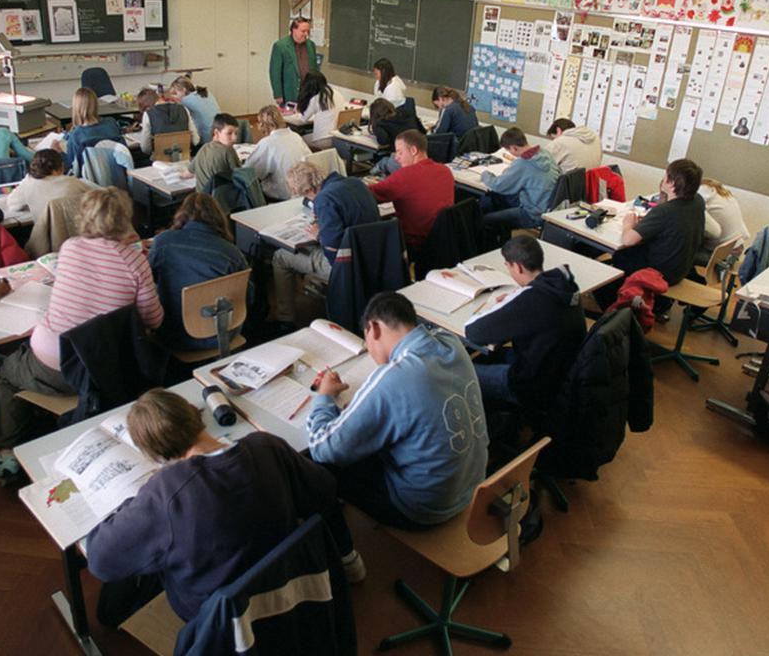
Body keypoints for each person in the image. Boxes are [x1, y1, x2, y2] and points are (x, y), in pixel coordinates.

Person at [85, 389, 362, 627]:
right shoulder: (266, 444)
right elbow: (324, 488)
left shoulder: (167, 493)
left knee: (148, 561)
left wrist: (130, 504)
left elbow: (101, 560)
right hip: (287, 582)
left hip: (217, 614)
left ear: (156, 453)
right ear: (195, 414)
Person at [0, 188, 163, 447]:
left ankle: (8, 444)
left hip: (53, 366)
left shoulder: (69, 248)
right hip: (106, 370)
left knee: (5, 373)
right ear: (125, 219)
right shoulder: (135, 261)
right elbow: (153, 320)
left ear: (84, 217)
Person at [308, 292, 488, 529]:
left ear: (373, 328)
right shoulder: (450, 342)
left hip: (423, 508)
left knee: (318, 468)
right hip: (472, 487)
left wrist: (324, 397)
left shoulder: (396, 376)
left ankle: (344, 554)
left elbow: (323, 448)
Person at [465, 236, 583, 406]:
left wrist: (506, 305)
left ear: (518, 267)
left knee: (460, 373)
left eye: (507, 265)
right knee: (487, 357)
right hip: (561, 370)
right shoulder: (563, 285)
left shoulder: (532, 300)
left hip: (531, 385)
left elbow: (474, 332)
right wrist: (516, 299)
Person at [269, 161, 380, 329]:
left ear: (308, 190)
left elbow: (332, 251)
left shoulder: (324, 199)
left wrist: (318, 234)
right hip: (374, 255)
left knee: (281, 257)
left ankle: (285, 319)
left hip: (347, 265)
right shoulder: (356, 182)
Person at [148, 194, 251, 352]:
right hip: (222, 333)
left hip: (173, 334)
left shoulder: (162, 242)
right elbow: (248, 296)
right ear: (218, 218)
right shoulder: (231, 253)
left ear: (181, 215)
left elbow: (150, 281)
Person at [598, 158, 705, 308]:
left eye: (666, 176)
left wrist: (628, 225)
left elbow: (628, 240)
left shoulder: (666, 211)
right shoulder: (697, 201)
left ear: (671, 183)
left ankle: (617, 306)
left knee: (619, 255)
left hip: (659, 272)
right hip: (680, 269)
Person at [368, 130, 454, 252]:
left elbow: (368, 194)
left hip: (413, 245)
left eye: (399, 152)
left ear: (413, 151)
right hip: (444, 243)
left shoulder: (405, 176)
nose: (396, 158)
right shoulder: (445, 171)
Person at [479, 128, 559, 244]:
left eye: (509, 151)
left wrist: (485, 173)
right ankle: (504, 239)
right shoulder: (544, 153)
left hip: (532, 213)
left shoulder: (523, 163)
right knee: (500, 201)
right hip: (546, 204)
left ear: (514, 148)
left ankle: (494, 248)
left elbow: (498, 185)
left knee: (486, 219)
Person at [4, 148, 94, 223]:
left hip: (44, 239)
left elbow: (12, 204)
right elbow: (101, 199)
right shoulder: (73, 183)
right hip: (75, 235)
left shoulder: (28, 183)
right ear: (61, 166)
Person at [245, 104, 311, 201]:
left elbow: (250, 172)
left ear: (263, 124)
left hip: (282, 195)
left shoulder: (267, 143)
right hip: (304, 191)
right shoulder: (295, 136)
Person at [63, 87, 123, 173]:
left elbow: (70, 167)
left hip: (89, 181)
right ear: (96, 104)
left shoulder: (76, 135)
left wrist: (60, 153)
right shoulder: (111, 123)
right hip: (117, 175)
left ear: (76, 108)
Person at [269, 17, 321, 106]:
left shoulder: (311, 45)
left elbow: (315, 69)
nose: (306, 34)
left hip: (309, 92)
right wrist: (278, 94)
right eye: (303, 31)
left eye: (308, 31)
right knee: (290, 119)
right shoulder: (280, 46)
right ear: (293, 30)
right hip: (290, 92)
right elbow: (275, 72)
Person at [286, 71, 341, 149]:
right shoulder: (337, 93)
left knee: (297, 140)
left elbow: (303, 119)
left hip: (322, 140)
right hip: (337, 139)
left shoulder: (317, 98)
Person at [137, 87, 199, 155]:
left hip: (159, 162)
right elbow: (196, 141)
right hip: (184, 159)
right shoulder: (184, 109)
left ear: (147, 107)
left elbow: (145, 148)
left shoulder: (148, 114)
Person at [190, 113, 241, 194]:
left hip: (202, 200)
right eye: (229, 133)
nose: (235, 138)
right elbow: (241, 177)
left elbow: (188, 172)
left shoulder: (203, 148)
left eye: (236, 133)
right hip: (222, 202)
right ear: (216, 133)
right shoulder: (228, 151)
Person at [169, 76, 221, 141]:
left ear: (184, 90)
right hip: (220, 132)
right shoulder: (205, 92)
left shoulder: (185, 100)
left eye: (175, 93)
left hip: (206, 139)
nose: (174, 96)